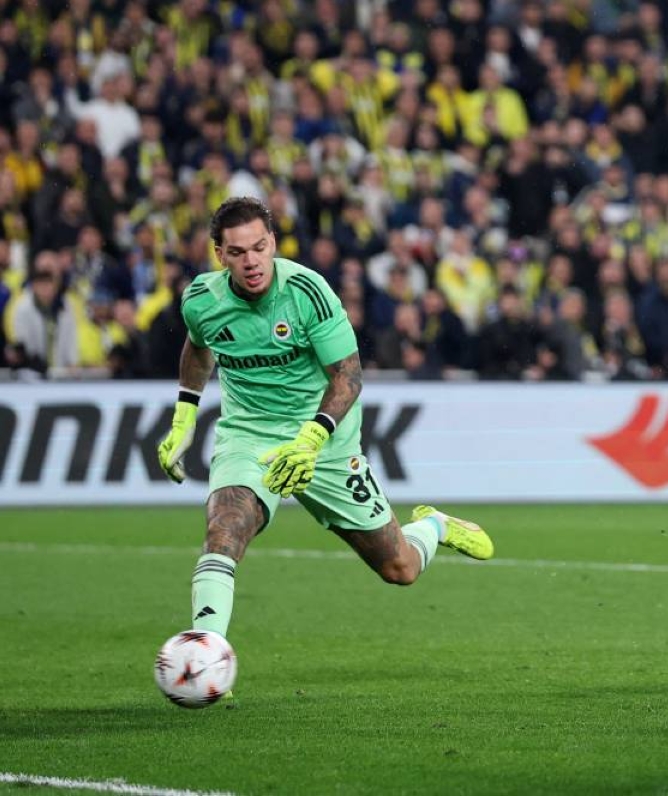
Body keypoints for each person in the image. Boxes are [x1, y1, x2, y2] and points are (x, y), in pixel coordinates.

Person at [156, 197, 494, 647]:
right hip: (249, 434)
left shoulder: (307, 293)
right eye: (237, 253)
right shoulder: (201, 299)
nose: (252, 261)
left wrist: (312, 440)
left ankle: (434, 526)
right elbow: (198, 347)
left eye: (259, 247)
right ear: (220, 254)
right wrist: (185, 416)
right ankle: (206, 651)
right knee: (225, 527)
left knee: (400, 569)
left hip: (326, 441)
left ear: (273, 242)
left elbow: (349, 377)